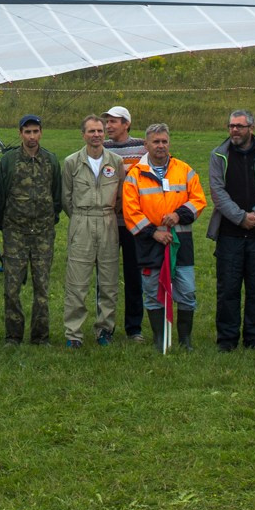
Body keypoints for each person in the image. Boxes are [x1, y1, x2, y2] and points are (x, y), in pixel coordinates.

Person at [120, 124, 207, 350]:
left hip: (181, 242)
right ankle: (160, 338)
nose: (160, 146)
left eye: (164, 141)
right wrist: (154, 232)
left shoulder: (184, 169)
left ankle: (185, 340)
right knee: (151, 291)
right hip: (149, 243)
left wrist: (179, 215)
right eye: (156, 142)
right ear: (146, 144)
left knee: (187, 290)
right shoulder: (135, 175)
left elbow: (199, 200)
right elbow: (131, 212)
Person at [206, 108, 255, 351]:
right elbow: (217, 193)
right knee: (227, 290)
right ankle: (227, 340)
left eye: (239, 126)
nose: (234, 131)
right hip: (230, 234)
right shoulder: (218, 155)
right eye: (231, 126)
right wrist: (241, 218)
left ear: (252, 128)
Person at [0, 114, 64, 346]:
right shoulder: (9, 161)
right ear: (20, 133)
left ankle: (40, 336)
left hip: (43, 233)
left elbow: (56, 196)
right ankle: (13, 335)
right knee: (12, 288)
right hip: (15, 232)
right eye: (27, 132)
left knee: (42, 288)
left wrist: (48, 219)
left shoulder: (51, 161)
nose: (32, 136)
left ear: (41, 133)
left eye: (35, 131)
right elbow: (0, 194)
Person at [59, 114, 124, 347]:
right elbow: (66, 197)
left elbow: (120, 196)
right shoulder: (71, 162)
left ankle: (105, 329)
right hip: (82, 221)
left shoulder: (115, 162)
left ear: (104, 133)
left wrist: (106, 213)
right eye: (91, 131)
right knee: (77, 282)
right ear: (83, 134)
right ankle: (73, 333)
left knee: (108, 281)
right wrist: (80, 217)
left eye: (100, 131)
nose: (96, 135)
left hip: (108, 222)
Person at [102, 107, 149, 340]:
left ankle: (134, 328)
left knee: (133, 276)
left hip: (133, 224)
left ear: (126, 124)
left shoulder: (142, 148)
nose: (108, 126)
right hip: (109, 222)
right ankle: (105, 327)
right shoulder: (102, 147)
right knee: (106, 276)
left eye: (113, 122)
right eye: (107, 122)